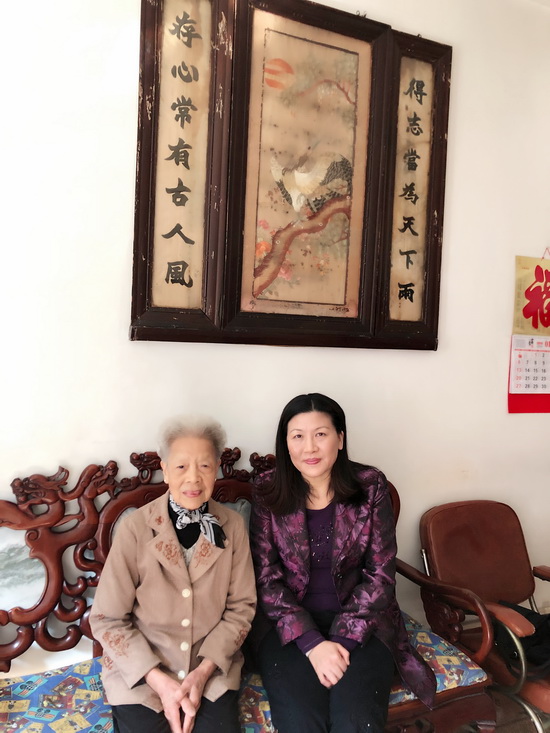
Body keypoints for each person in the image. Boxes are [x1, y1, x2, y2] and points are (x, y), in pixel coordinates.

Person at [249, 393, 436, 733]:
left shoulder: (370, 486)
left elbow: (380, 574)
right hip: (287, 627)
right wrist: (312, 644)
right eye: (298, 436)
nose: (310, 447)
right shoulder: (267, 490)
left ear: (340, 438)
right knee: (301, 722)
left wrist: (343, 642)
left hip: (363, 621)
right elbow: (267, 579)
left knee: (357, 720)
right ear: (286, 444)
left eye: (321, 434)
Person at [90, 417, 256, 733]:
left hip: (210, 670)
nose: (193, 477)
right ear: (165, 470)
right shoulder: (135, 528)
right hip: (141, 672)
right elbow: (107, 618)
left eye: (204, 466)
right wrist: (158, 680)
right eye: (181, 467)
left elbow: (241, 608)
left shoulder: (232, 526)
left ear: (217, 469)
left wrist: (202, 673)